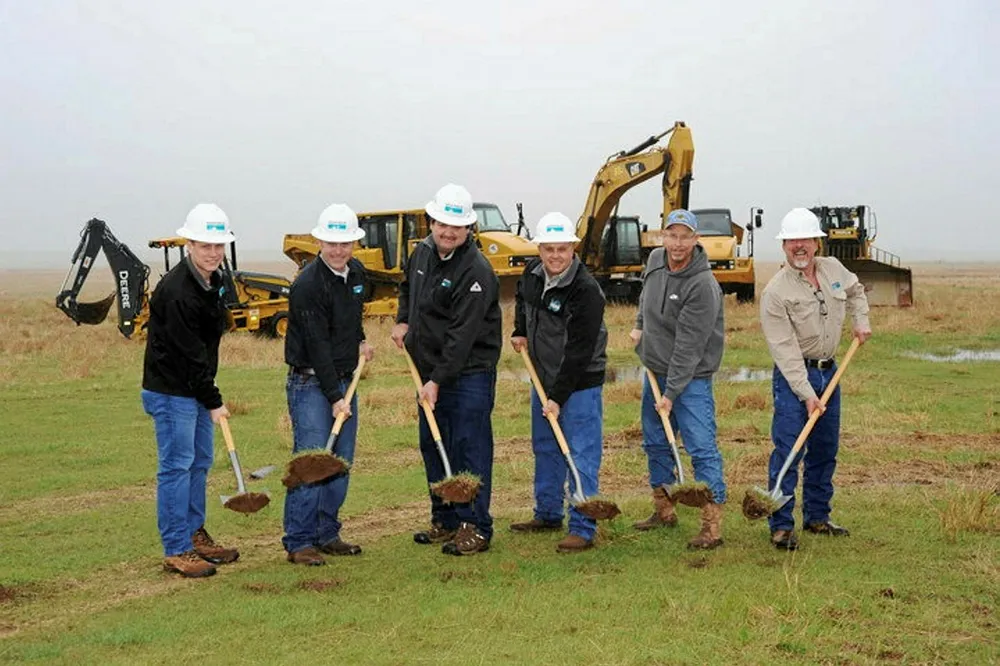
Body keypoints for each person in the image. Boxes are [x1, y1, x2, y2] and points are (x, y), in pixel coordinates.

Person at [391, 183, 501, 556]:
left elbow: (461, 336)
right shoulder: (421, 253)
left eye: (457, 226)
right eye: (442, 224)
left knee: (468, 447)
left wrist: (437, 379)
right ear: (432, 222)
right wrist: (403, 320)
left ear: (468, 228)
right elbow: (407, 288)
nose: (448, 232)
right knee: (434, 444)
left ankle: (476, 526)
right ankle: (446, 518)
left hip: (468, 372)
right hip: (428, 371)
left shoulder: (476, 270)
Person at [760, 208, 871, 551]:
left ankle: (818, 516)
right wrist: (807, 393)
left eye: (805, 240)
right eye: (792, 241)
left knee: (824, 449)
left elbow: (856, 291)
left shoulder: (833, 269)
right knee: (790, 449)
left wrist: (861, 320)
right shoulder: (775, 292)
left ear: (816, 242)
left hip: (831, 372)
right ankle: (781, 525)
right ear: (783, 246)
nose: (799, 246)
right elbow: (784, 350)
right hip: (795, 376)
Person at [141, 203, 241, 578]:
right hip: (172, 391)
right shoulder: (177, 292)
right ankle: (176, 548)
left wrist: (206, 393)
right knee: (177, 467)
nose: (213, 253)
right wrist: (214, 401)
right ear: (189, 245)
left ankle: (195, 535)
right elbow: (190, 354)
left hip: (195, 387)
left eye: (218, 246)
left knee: (199, 463)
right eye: (205, 246)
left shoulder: (213, 281)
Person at [282, 203, 375, 566]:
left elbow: (350, 317)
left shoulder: (356, 274)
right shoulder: (307, 285)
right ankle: (299, 540)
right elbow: (317, 344)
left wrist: (360, 340)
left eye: (345, 243)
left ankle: (327, 532)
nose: (338, 250)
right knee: (312, 460)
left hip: (344, 379)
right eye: (332, 243)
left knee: (339, 461)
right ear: (319, 242)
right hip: (310, 382)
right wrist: (336, 397)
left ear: (354, 243)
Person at [510, 212, 608, 553]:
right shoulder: (532, 273)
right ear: (539, 250)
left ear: (573, 249)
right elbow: (522, 299)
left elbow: (579, 352)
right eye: (549, 249)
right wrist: (519, 330)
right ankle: (548, 513)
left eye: (562, 249)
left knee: (580, 452)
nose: (555, 256)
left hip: (579, 383)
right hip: (543, 377)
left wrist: (558, 397)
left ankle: (582, 526)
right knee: (546, 447)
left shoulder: (586, 291)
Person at [629, 209, 727, 550]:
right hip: (655, 370)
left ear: (696, 240)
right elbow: (646, 297)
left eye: (685, 236)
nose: (678, 243)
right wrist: (639, 326)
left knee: (701, 447)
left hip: (692, 377)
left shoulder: (703, 285)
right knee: (656, 442)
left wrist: (670, 394)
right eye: (672, 235)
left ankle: (711, 526)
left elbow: (689, 347)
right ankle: (664, 509)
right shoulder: (656, 259)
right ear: (663, 236)